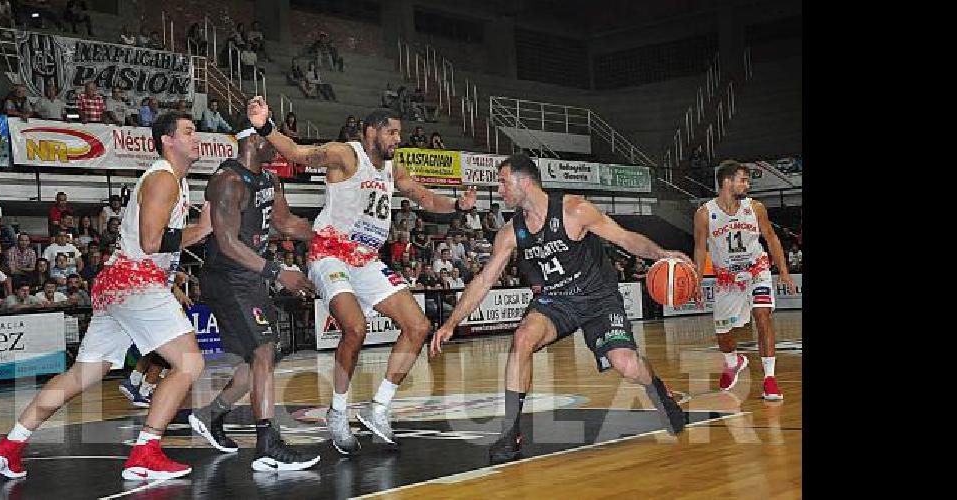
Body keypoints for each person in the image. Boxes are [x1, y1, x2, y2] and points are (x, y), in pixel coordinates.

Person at [0, 111, 214, 481]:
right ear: (167, 140)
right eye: (188, 131)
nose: (196, 137)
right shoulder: (163, 179)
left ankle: (9, 445)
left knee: (83, 374)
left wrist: (171, 276)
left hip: (122, 282)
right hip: (134, 283)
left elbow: (144, 247)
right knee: (190, 363)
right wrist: (200, 230)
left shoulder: (175, 181)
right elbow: (152, 242)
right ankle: (146, 452)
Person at [245, 98, 477, 454]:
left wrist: (457, 206)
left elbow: (425, 198)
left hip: (365, 259)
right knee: (355, 328)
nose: (397, 139)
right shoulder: (345, 155)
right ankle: (337, 412)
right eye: (392, 132)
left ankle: (378, 408)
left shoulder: (393, 168)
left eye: (399, 132)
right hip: (330, 253)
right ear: (371, 132)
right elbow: (297, 152)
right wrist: (265, 126)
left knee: (418, 326)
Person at [429, 154, 688, 464]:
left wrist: (661, 253)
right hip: (556, 300)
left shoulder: (574, 210)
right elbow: (484, 280)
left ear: (524, 182)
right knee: (522, 338)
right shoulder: (511, 232)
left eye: (502, 182)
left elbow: (625, 238)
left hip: (597, 297)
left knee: (626, 364)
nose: (499, 190)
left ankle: (660, 393)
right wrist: (451, 323)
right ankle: (510, 433)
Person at [188, 126, 320, 471]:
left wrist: (330, 237)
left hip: (250, 277)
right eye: (270, 140)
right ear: (251, 140)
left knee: (259, 361)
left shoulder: (269, 181)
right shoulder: (228, 181)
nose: (276, 147)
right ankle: (267, 446)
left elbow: (287, 222)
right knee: (263, 351)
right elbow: (228, 242)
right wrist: (278, 272)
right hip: (227, 277)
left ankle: (210, 415)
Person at [692, 160, 796, 401]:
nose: (747, 185)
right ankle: (734, 361)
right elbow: (700, 250)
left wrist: (783, 271)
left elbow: (771, 239)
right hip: (727, 279)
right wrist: (697, 281)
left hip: (756, 271)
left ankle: (769, 379)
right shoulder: (705, 213)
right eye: (743, 180)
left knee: (763, 316)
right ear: (727, 182)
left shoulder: (755, 208)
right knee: (724, 333)